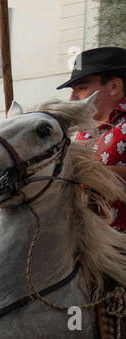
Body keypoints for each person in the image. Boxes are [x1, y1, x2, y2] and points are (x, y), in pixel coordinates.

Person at [62, 46, 126, 231]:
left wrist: (88, 171)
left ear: (114, 86)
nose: (72, 98)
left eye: (81, 88)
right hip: (88, 244)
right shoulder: (81, 132)